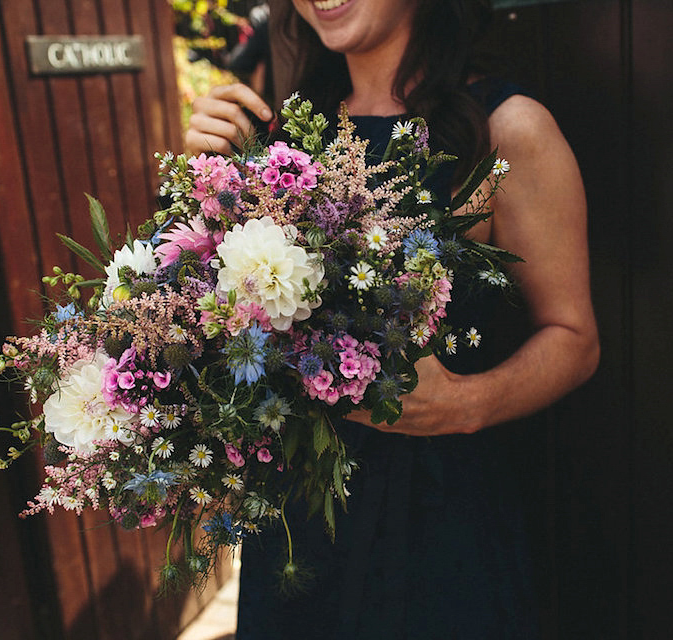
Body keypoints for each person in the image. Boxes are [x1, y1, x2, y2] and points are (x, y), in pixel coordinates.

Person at [185, 1, 599, 637]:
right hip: (297, 528)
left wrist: (464, 403)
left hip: (434, 520)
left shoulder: (506, 129)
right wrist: (213, 185)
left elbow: (574, 339)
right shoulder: (285, 128)